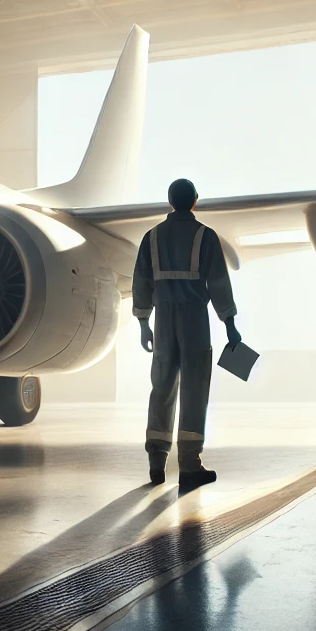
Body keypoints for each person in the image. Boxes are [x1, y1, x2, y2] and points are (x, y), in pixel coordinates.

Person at [132, 178, 241, 490]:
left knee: (161, 387)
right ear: (195, 200)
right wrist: (230, 325)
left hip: (163, 318)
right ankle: (190, 465)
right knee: (194, 390)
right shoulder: (205, 237)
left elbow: (141, 282)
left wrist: (143, 322)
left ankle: (157, 460)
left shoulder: (151, 238)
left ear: (170, 201)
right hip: (194, 319)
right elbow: (218, 283)